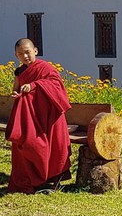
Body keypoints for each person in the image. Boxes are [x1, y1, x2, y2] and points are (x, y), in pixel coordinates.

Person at [4, 38, 72, 194]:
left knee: (52, 146)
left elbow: (57, 86)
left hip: (49, 115)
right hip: (30, 117)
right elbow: (16, 89)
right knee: (28, 145)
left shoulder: (46, 68)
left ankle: (50, 182)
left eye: (27, 52)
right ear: (16, 55)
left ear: (35, 51)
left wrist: (34, 85)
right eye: (20, 54)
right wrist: (15, 93)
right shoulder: (19, 72)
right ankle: (32, 180)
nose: (25, 56)